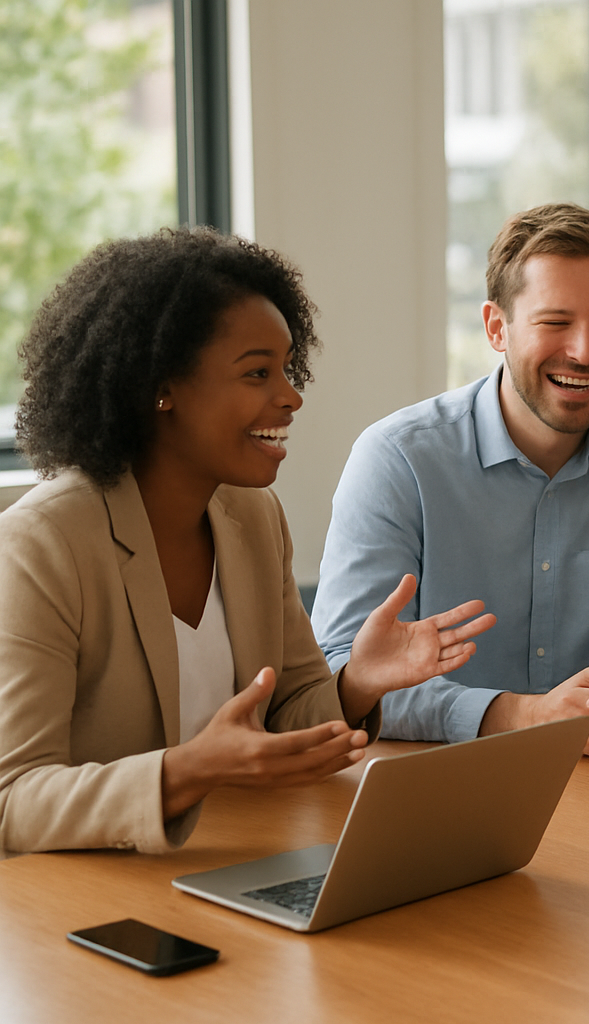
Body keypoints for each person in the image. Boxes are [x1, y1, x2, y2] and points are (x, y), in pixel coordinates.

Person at [0, 228, 494, 856]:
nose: (291, 396)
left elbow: (288, 713)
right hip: (88, 893)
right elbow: (13, 798)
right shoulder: (41, 544)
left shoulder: (253, 518)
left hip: (232, 856)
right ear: (161, 388)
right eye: (257, 373)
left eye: (286, 369)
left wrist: (357, 684)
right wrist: (189, 770)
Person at [310, 203, 589, 760]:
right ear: (496, 327)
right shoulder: (396, 459)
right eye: (555, 322)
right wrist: (519, 716)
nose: (585, 351)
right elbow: (341, 670)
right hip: (431, 774)